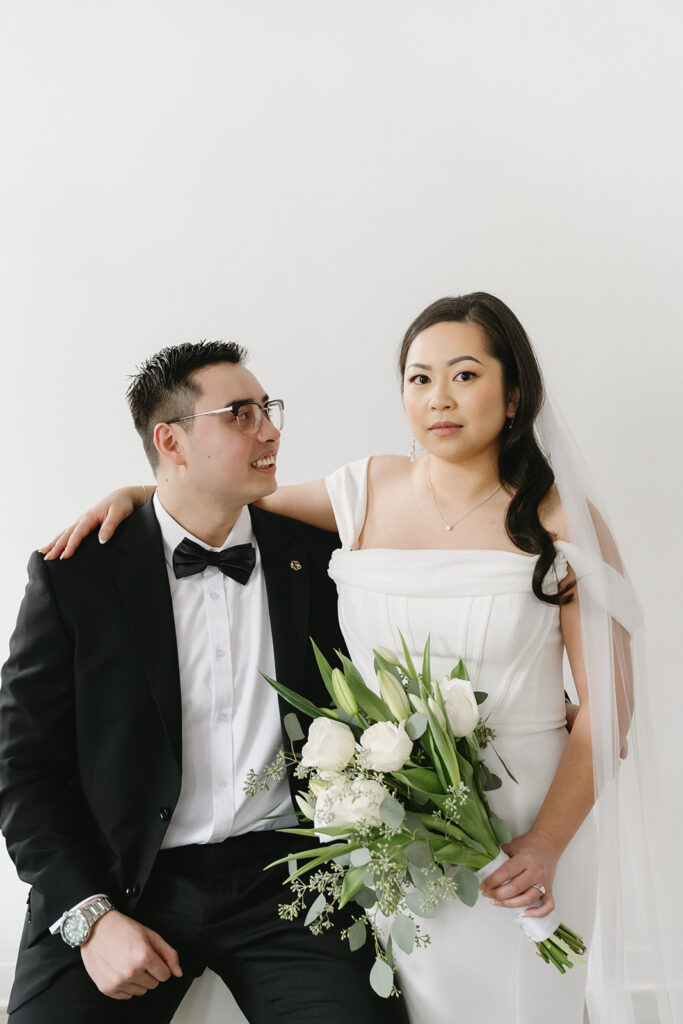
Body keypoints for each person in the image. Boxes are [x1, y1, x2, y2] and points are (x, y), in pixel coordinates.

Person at [38, 294, 672, 1023]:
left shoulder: (561, 520)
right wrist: (134, 492)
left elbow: (608, 703)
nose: (438, 399)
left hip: (524, 814)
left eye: (464, 376)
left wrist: (544, 843)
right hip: (385, 830)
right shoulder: (364, 489)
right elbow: (222, 501)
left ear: (514, 392)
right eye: (418, 378)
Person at [0, 341, 410, 1024]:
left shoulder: (316, 556)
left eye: (268, 410)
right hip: (122, 882)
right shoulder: (77, 574)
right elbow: (21, 768)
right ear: (172, 441)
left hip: (289, 882)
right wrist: (92, 920)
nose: (271, 430)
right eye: (241, 414)